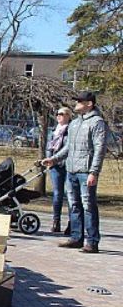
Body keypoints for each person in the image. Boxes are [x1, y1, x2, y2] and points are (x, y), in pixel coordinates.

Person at [42, 91, 108, 253]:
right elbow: (68, 147)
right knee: (74, 204)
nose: (76, 104)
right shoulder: (75, 123)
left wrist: (94, 172)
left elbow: (100, 149)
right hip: (71, 170)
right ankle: (76, 237)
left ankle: (92, 241)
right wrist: (54, 159)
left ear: (89, 104)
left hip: (86, 171)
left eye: (80, 101)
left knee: (88, 206)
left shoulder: (97, 122)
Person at [46, 107, 72, 233]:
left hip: (68, 166)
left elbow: (69, 148)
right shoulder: (54, 131)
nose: (58, 116)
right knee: (57, 194)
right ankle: (56, 221)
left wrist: (58, 159)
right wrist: (49, 160)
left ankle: (72, 223)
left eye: (61, 114)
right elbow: (49, 147)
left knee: (70, 194)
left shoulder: (71, 130)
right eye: (57, 114)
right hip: (55, 166)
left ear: (68, 116)